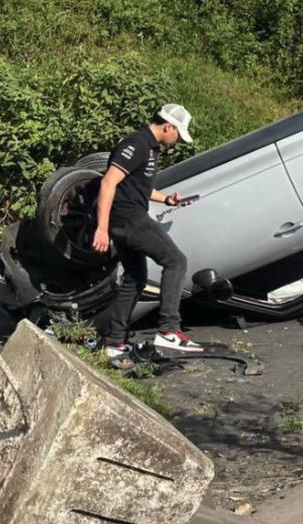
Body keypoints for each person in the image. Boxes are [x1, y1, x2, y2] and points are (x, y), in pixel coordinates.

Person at [92, 103, 203, 357]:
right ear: (168, 126)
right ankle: (169, 331)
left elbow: (136, 186)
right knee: (176, 261)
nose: (177, 141)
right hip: (129, 219)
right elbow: (108, 182)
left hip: (127, 219)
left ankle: (115, 342)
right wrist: (102, 228)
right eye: (178, 135)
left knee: (135, 278)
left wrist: (167, 200)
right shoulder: (137, 144)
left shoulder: (150, 148)